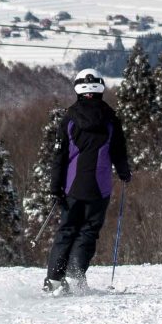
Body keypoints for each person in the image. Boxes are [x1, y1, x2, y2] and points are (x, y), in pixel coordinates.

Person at [42, 70, 132, 294]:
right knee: (88, 232)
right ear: (100, 88)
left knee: (67, 230)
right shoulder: (111, 120)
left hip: (72, 185)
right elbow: (119, 152)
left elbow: (59, 155)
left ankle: (53, 280)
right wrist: (124, 173)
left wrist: (55, 187)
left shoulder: (69, 120)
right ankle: (74, 277)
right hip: (100, 187)